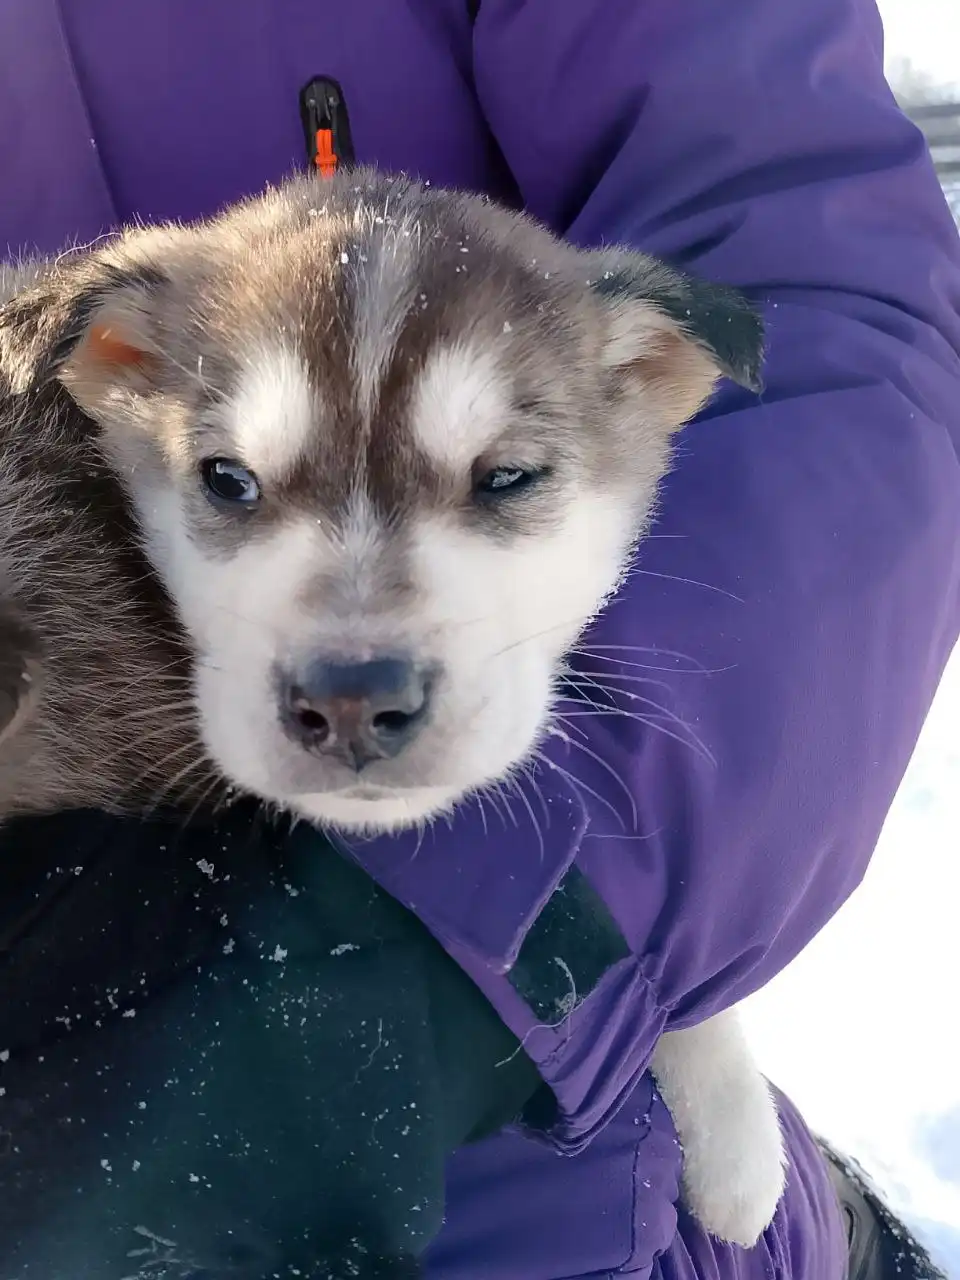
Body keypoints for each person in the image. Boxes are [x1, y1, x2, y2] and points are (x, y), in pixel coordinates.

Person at [1, 0, 959, 1276]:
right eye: (234, 484)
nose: (351, 659)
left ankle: (822, 1240)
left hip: (568, 1098)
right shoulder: (100, 358)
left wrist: (545, 938)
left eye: (502, 480)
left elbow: (827, 317)